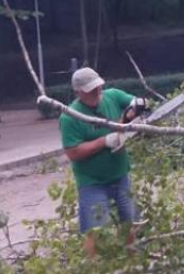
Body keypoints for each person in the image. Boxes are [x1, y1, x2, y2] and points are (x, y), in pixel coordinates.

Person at [59, 67, 148, 257]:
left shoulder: (113, 96)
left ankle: (133, 264)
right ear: (79, 91)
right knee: (95, 230)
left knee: (131, 223)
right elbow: (73, 152)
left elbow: (133, 103)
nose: (97, 91)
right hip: (92, 182)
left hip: (120, 174)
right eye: (91, 89)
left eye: (98, 87)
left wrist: (135, 108)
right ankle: (94, 267)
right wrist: (105, 141)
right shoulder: (69, 117)